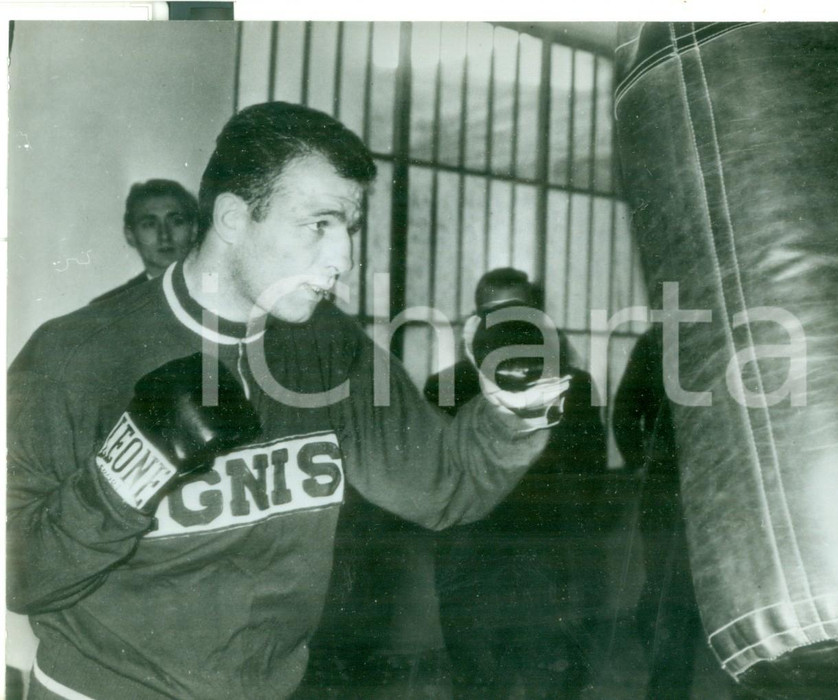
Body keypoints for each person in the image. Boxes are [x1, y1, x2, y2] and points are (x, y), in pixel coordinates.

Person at [7, 102, 569, 700]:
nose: (344, 258)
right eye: (318, 224)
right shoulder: (75, 356)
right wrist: (126, 475)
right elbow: (19, 577)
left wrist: (512, 412)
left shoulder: (328, 345)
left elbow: (444, 486)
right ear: (232, 217)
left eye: (349, 228)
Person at [424, 268, 608, 699]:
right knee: (476, 679)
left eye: (519, 313)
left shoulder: (573, 386)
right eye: (493, 314)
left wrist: (571, 545)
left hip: (547, 557)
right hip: (469, 558)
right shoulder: (445, 387)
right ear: (475, 321)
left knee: (553, 677)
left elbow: (592, 475)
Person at [612, 327, 702, 699]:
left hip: (704, 487)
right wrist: (642, 463)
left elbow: (623, 414)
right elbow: (624, 414)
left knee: (671, 595)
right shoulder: (657, 341)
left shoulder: (737, 334)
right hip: (673, 487)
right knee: (669, 596)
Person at [91, 179, 198, 303]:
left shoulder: (214, 291)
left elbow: (212, 323)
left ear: (194, 230)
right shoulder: (108, 306)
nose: (164, 235)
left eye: (176, 222)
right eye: (150, 224)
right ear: (130, 235)